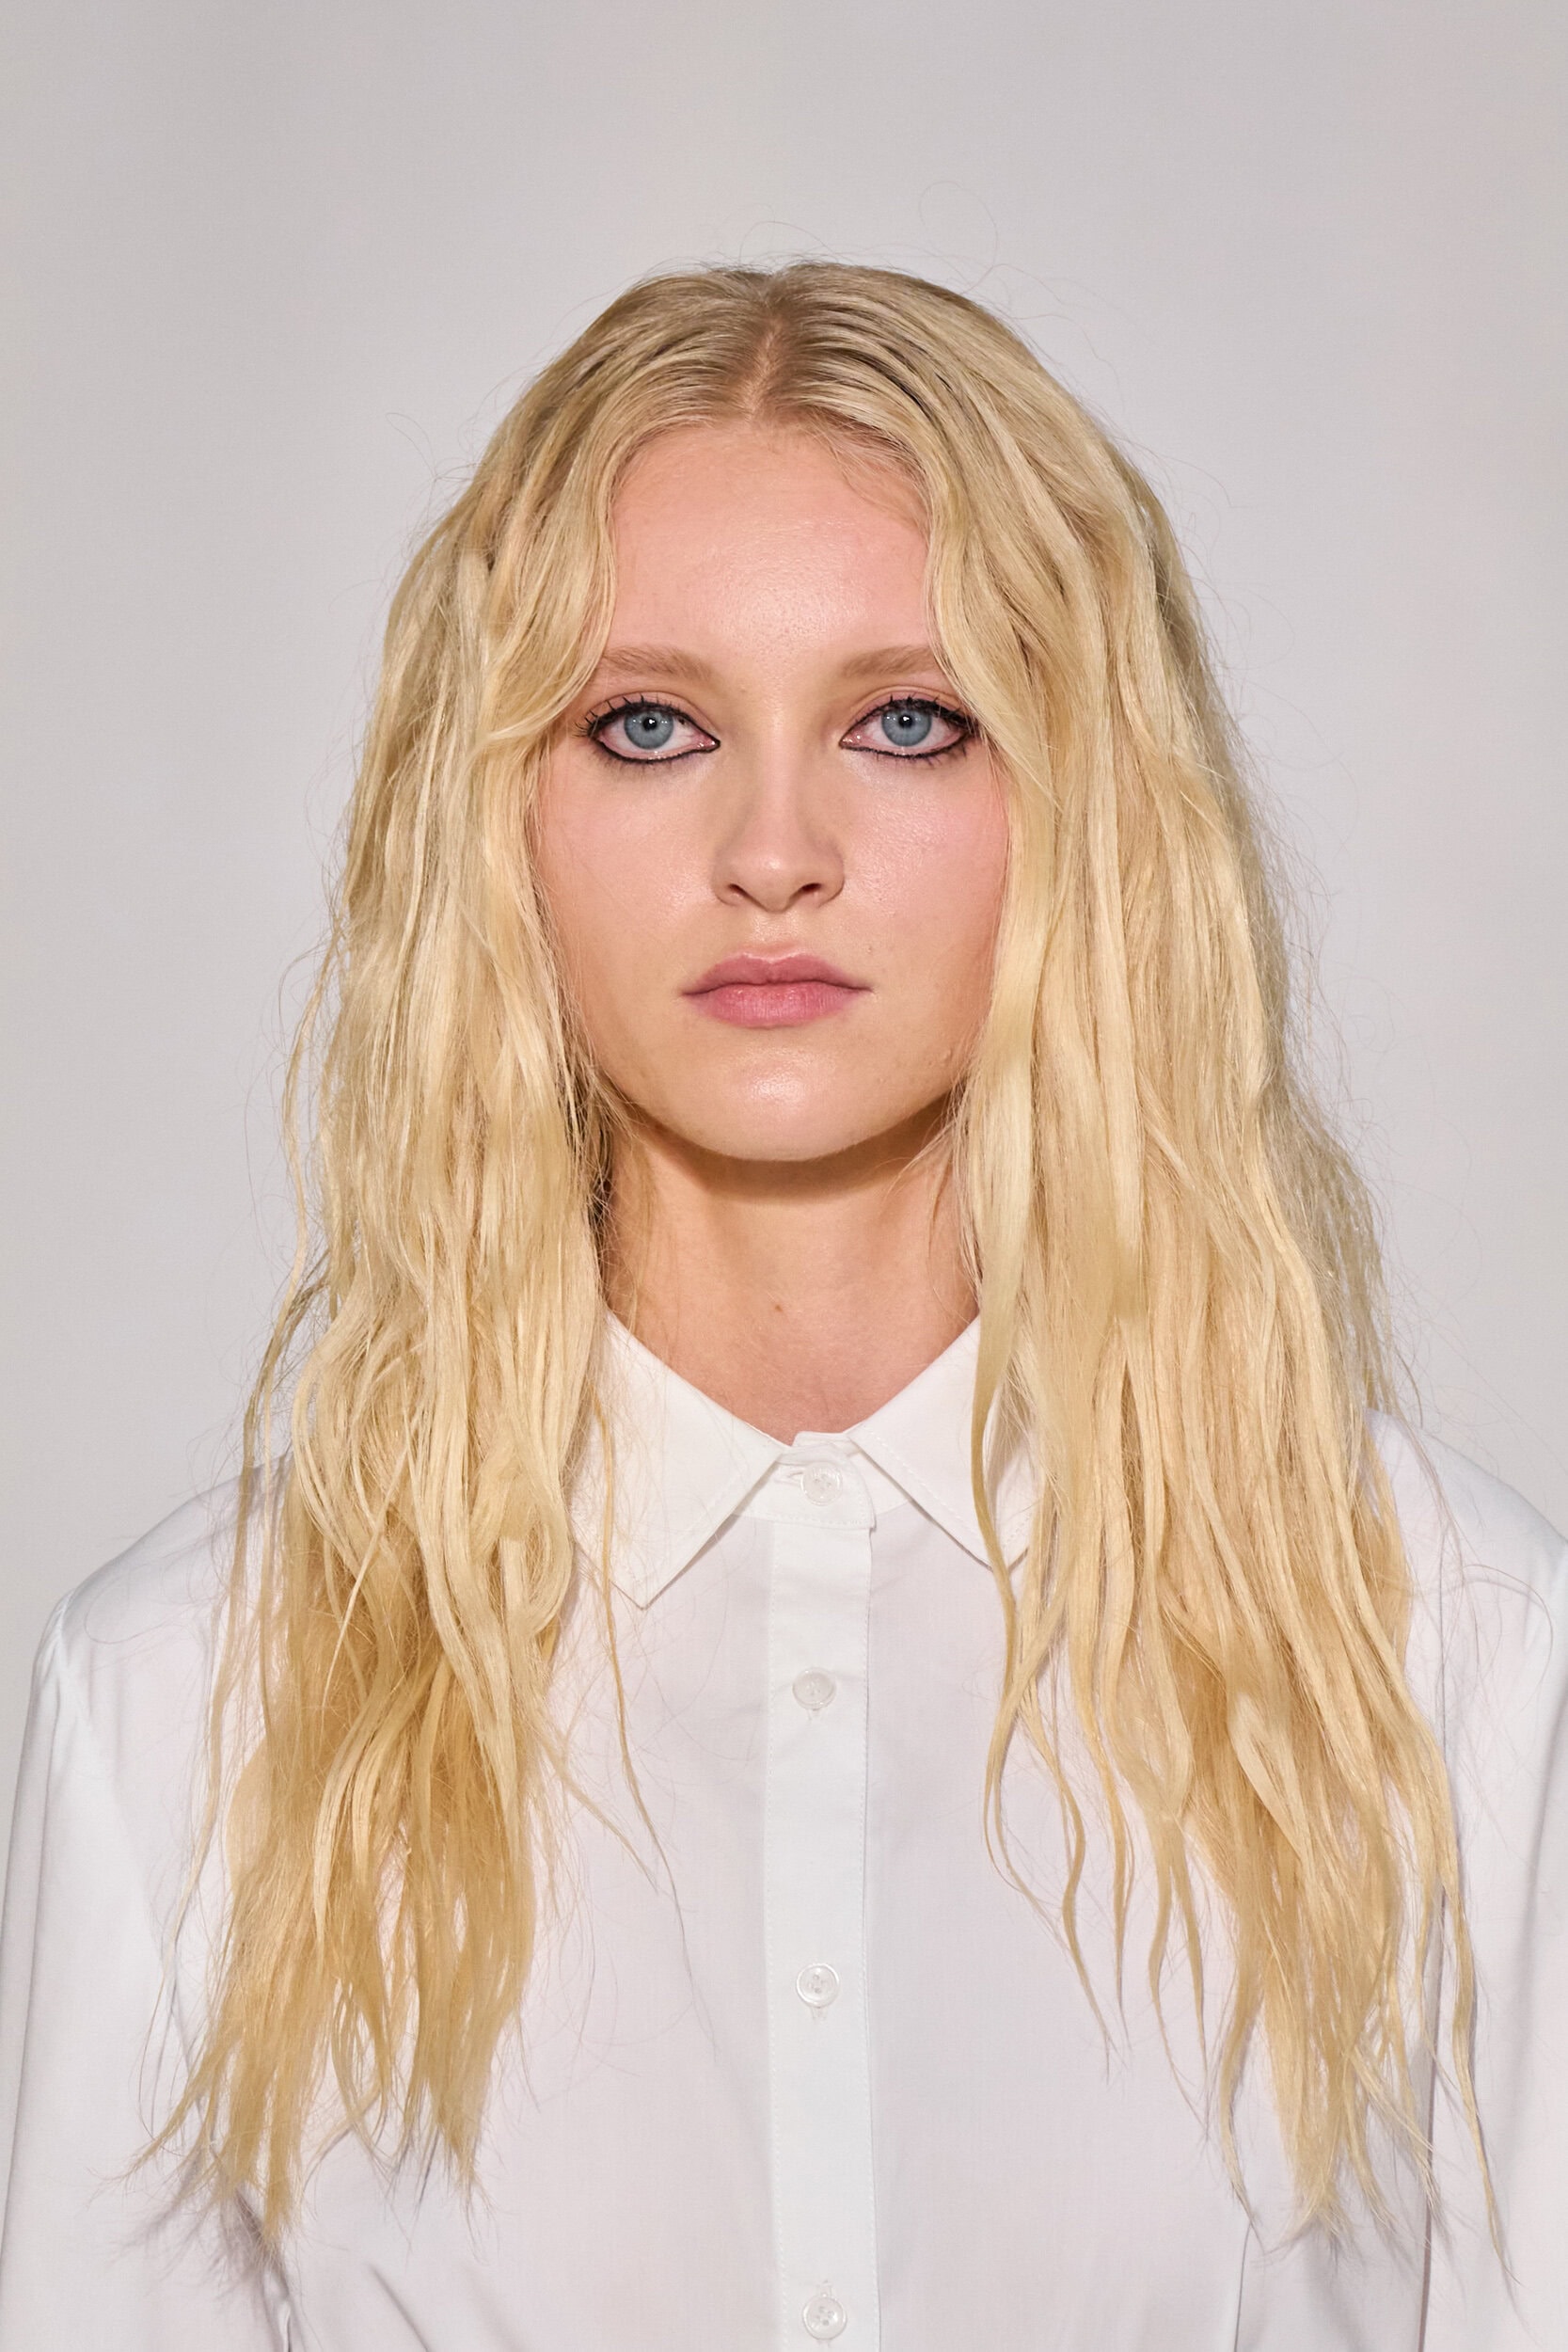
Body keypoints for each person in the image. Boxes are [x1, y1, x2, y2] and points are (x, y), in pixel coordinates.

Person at [0, 262, 1562, 2351]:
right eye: (649, 726)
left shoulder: (1444, 1644)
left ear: (1081, 809)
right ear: (502, 817)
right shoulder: (189, 1695)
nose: (773, 851)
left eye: (907, 721)